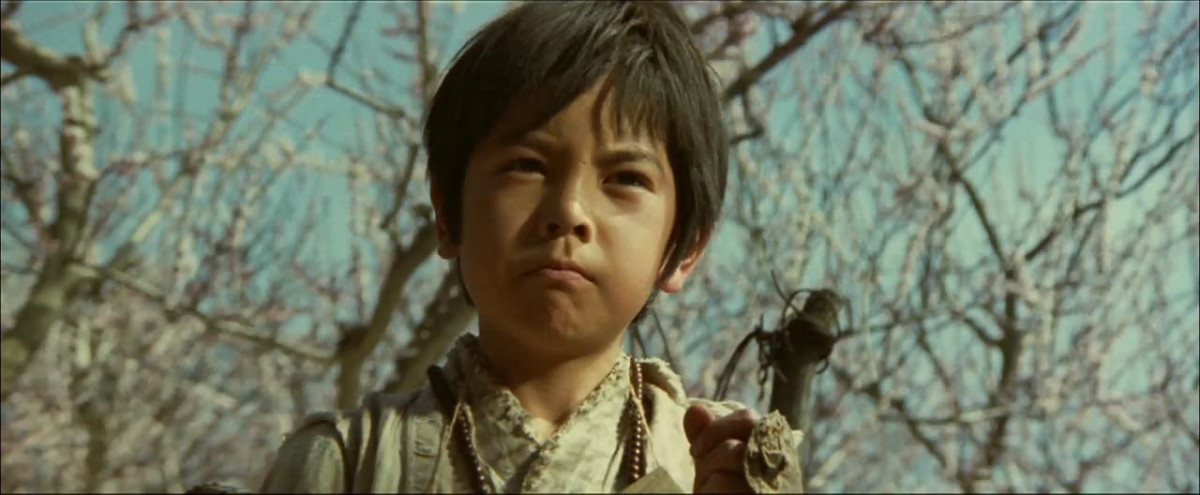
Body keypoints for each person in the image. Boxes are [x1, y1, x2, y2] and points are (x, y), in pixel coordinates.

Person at [260, 2, 804, 493]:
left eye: (625, 178)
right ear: (448, 215)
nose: (569, 211)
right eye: (526, 165)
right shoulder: (348, 462)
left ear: (682, 250)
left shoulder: (722, 468)